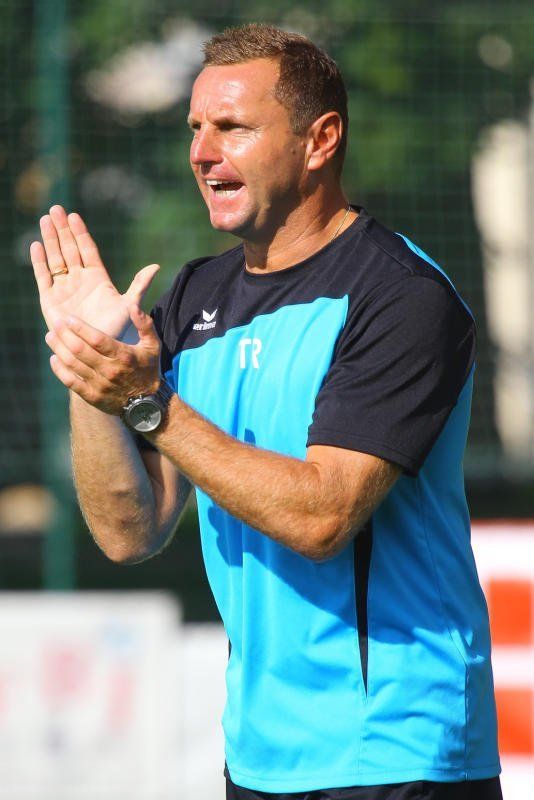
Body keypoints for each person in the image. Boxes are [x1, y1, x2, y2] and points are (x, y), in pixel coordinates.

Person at [30, 23, 502, 800]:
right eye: (195, 127)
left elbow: (323, 517)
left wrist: (148, 403)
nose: (202, 152)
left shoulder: (401, 296)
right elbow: (128, 531)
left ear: (320, 140)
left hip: (396, 748)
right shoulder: (196, 296)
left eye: (233, 127)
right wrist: (93, 369)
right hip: (259, 754)